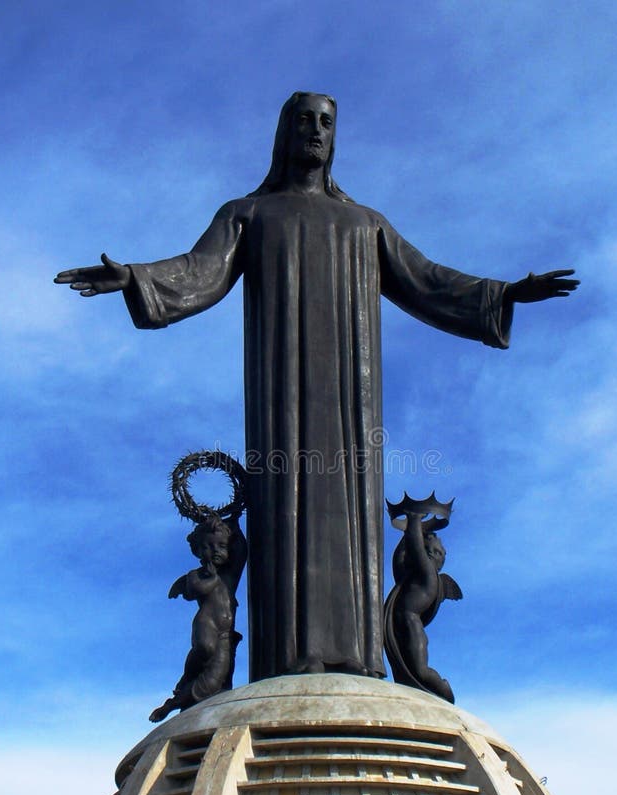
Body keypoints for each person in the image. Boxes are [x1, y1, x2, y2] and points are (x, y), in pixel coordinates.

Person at [56, 92, 579, 684]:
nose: (316, 130)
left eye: (326, 122)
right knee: (287, 510)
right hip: (281, 401)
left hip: (352, 410)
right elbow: (201, 271)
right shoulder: (249, 214)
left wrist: (503, 293)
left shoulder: (364, 224)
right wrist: (136, 277)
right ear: (285, 132)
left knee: (346, 513)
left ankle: (357, 656)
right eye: (305, 119)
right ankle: (287, 659)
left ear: (336, 138)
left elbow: (426, 280)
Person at [149, 515, 242, 722]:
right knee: (205, 648)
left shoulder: (230, 575)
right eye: (210, 546)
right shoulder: (196, 575)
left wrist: (235, 520)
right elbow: (194, 591)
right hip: (206, 623)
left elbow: (241, 551)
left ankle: (173, 703)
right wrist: (212, 577)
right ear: (199, 551)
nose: (217, 550)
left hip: (226, 635)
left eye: (222, 546)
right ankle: (188, 674)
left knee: (214, 682)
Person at [384, 511, 462, 702]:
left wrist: (414, 520)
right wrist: (407, 534)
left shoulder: (428, 574)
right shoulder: (414, 578)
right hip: (400, 626)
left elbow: (415, 547)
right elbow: (399, 561)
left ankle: (443, 689)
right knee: (404, 673)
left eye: (433, 551)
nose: (426, 553)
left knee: (420, 670)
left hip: (412, 628)